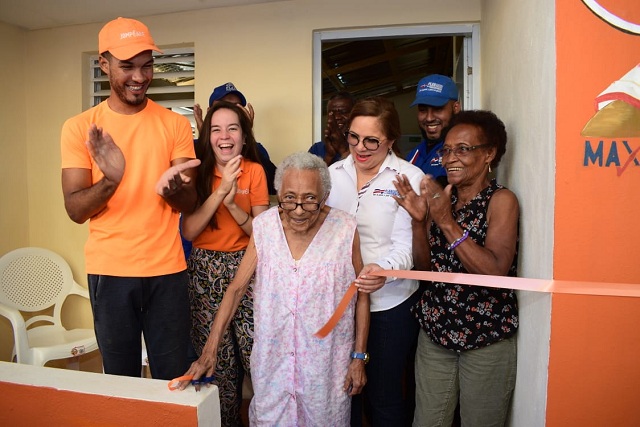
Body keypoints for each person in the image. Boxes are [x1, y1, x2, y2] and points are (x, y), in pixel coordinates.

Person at [180, 152, 383, 426]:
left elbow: (361, 293)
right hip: (273, 367)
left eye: (310, 199)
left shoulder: (345, 228)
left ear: (324, 196)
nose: (298, 209)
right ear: (279, 194)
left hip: (325, 367)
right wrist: (209, 351)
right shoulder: (264, 227)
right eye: (289, 198)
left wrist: (359, 357)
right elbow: (236, 290)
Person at [60, 17, 200, 379]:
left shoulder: (174, 124)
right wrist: (111, 180)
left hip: (167, 271)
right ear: (104, 64)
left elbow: (190, 204)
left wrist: (177, 189)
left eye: (147, 65)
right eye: (127, 66)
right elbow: (75, 209)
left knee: (173, 376)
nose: (139, 76)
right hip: (111, 271)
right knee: (121, 379)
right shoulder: (80, 128)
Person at [393, 110, 519, 427]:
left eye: (463, 149)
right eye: (447, 150)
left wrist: (446, 222)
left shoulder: (501, 200)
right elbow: (426, 269)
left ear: (489, 153)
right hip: (435, 334)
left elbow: (494, 271)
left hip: (485, 337)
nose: (451, 158)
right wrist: (419, 223)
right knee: (427, 421)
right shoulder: (441, 197)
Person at [326, 96, 425, 426]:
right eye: (354, 137)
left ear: (391, 141)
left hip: (390, 305)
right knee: (343, 393)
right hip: (341, 305)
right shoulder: (332, 175)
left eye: (372, 141)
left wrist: (383, 270)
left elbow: (408, 244)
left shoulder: (408, 177)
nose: (360, 148)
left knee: (384, 396)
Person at [181, 100, 270, 426]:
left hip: (248, 268)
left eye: (232, 128)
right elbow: (190, 230)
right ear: (208, 136)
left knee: (254, 355)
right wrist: (220, 193)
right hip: (205, 272)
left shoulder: (256, 171)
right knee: (218, 363)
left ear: (244, 136)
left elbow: (261, 234)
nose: (224, 136)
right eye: (216, 129)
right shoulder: (198, 172)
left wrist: (233, 205)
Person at [194, 82, 277, 195]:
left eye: (236, 106)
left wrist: (246, 133)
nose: (230, 110)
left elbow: (274, 186)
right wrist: (204, 134)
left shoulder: (257, 149)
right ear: (210, 112)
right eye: (222, 105)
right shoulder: (193, 147)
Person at [405, 74, 461, 185]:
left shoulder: (462, 151)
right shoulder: (414, 154)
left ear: (456, 108)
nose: (429, 118)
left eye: (438, 109)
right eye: (423, 110)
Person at [309, 91, 356, 165]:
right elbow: (311, 176)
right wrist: (329, 156)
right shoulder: (317, 149)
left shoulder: (363, 146)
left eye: (343, 112)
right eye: (331, 113)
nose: (337, 117)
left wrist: (343, 150)